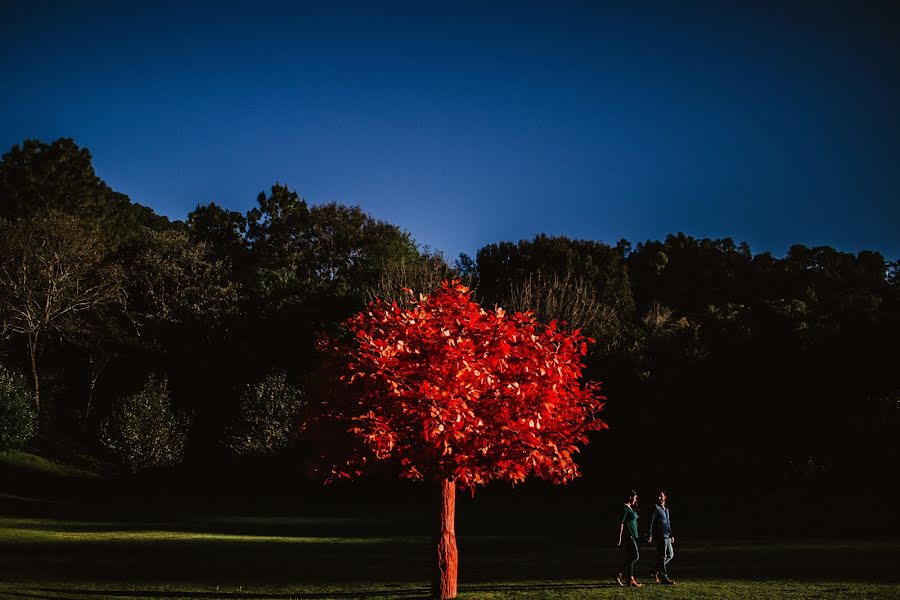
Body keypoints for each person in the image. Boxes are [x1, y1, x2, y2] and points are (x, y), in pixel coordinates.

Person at [647, 489, 676, 584]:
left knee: (670, 555)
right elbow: (650, 522)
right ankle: (664, 577)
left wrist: (671, 535)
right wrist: (650, 534)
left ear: (665, 497)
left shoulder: (666, 509)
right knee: (662, 556)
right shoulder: (656, 507)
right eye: (658, 496)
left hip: (667, 536)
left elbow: (668, 522)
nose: (659, 498)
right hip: (660, 536)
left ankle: (654, 571)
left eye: (661, 496)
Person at [615, 490, 642, 587]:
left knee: (631, 557)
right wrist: (619, 538)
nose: (635, 500)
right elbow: (621, 523)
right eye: (634, 498)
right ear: (630, 497)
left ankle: (630, 579)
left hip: (633, 535)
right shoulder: (624, 508)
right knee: (635, 556)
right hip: (628, 536)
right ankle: (619, 573)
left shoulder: (630, 508)